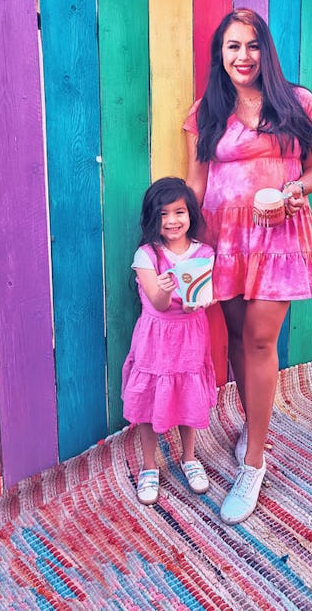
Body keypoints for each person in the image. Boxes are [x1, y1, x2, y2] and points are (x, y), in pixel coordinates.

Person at [184, 8, 312, 524]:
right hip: (224, 238)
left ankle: (254, 461)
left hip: (278, 235)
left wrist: (292, 190)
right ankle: (253, 421)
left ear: (266, 50)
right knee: (240, 340)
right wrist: (180, 242)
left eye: (252, 45)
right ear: (220, 55)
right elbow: (197, 184)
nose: (243, 57)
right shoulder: (208, 112)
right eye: (232, 47)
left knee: (262, 340)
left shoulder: (299, 104)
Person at [122, 176, 217, 505]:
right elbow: (159, 303)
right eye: (163, 214)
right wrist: (163, 289)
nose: (173, 221)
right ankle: (149, 466)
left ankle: (189, 457)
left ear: (191, 213)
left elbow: (202, 295)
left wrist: (197, 302)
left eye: (179, 212)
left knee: (188, 395)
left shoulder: (203, 252)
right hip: (156, 337)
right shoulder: (147, 255)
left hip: (190, 335)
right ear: (153, 218)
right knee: (151, 401)